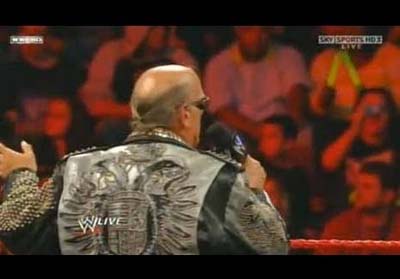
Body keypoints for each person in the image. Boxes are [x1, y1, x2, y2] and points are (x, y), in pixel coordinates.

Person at [0, 65, 288, 255]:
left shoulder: (74, 169)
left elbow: (16, 229)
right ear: (185, 113)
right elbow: (273, 246)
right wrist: (254, 190)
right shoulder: (217, 177)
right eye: (203, 105)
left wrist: (21, 173)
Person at [204, 26, 310, 142]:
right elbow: (222, 111)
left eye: (263, 30)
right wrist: (260, 131)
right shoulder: (218, 64)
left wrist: (287, 131)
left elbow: (297, 96)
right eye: (250, 30)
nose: (257, 36)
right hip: (240, 131)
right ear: (238, 31)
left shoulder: (290, 56)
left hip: (282, 127)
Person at [320, 88, 400, 213]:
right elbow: (328, 163)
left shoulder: (396, 143)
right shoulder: (343, 138)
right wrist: (354, 128)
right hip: (347, 214)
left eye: (382, 109)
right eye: (369, 109)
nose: (375, 115)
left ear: (390, 115)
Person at [318, 162, 400, 255]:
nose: (358, 192)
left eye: (367, 187)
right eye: (358, 186)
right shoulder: (339, 226)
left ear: (388, 195)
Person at [257, 115, 310, 238]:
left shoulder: (298, 177)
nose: (264, 142)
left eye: (271, 137)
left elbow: (301, 216)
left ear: (289, 142)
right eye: (262, 137)